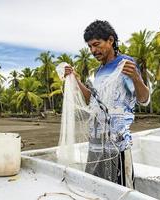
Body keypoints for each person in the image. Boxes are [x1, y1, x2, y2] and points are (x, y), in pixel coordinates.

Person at [64, 20, 149, 188]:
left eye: (96, 44)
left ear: (110, 41)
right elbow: (92, 99)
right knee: (96, 189)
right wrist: (75, 78)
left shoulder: (125, 64)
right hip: (96, 143)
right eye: (90, 47)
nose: (93, 51)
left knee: (119, 190)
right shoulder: (99, 71)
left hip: (117, 146)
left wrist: (136, 78)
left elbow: (144, 99)